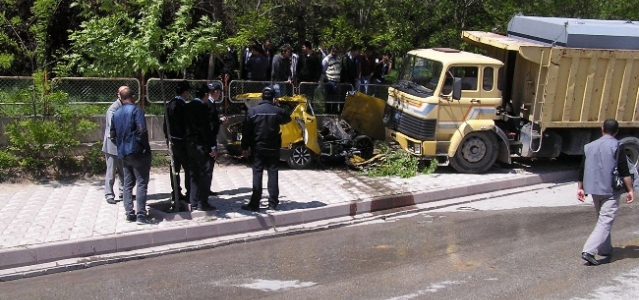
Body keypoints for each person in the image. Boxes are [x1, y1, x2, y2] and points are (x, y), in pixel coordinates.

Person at [577, 119, 634, 265]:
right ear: (616, 132)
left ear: (602, 129)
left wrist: (580, 188)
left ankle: (605, 249)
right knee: (605, 221)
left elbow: (582, 168)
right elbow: (624, 170)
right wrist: (630, 190)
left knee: (603, 219)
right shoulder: (617, 146)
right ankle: (589, 251)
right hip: (610, 190)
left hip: (593, 189)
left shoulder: (589, 146)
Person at [240, 86, 291, 212]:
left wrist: (244, 147)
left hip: (257, 147)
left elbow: (246, 131)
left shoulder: (253, 111)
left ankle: (255, 203)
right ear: (273, 98)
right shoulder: (277, 111)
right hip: (273, 147)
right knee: (273, 173)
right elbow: (288, 119)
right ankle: (273, 203)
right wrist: (278, 106)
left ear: (262, 97)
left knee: (257, 174)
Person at [110, 87, 152, 225]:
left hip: (124, 153)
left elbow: (112, 135)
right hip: (138, 152)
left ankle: (129, 213)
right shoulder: (136, 110)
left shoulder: (116, 114)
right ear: (133, 97)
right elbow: (142, 130)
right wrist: (145, 148)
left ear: (120, 98)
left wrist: (121, 146)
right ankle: (141, 214)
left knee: (127, 184)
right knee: (141, 182)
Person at [184, 83, 218, 211]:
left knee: (193, 173)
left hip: (190, 144)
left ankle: (193, 200)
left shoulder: (188, 106)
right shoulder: (202, 108)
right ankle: (202, 202)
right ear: (205, 95)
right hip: (200, 145)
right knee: (205, 173)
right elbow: (205, 129)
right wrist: (211, 147)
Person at [164, 81, 191, 204]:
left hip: (172, 141)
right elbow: (184, 125)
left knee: (174, 168)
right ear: (185, 92)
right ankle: (190, 193)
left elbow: (165, 124)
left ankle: (175, 192)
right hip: (182, 141)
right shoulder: (182, 105)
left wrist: (167, 138)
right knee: (188, 167)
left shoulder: (170, 104)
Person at [102, 85, 127, 204]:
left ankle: (123, 193)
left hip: (122, 144)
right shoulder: (113, 109)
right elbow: (114, 128)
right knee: (111, 171)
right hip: (112, 144)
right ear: (119, 95)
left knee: (123, 170)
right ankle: (109, 194)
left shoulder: (126, 106)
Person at [205, 83, 227, 196]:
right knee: (208, 165)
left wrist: (219, 121)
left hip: (209, 138)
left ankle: (206, 188)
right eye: (218, 92)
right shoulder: (209, 104)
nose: (219, 95)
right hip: (209, 139)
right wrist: (212, 146)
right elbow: (209, 125)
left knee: (209, 166)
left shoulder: (209, 103)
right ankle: (205, 189)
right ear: (215, 92)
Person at [320, 45, 342, 113]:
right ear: (331, 51)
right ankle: (328, 112)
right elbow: (323, 71)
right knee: (329, 98)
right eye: (333, 51)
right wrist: (322, 82)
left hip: (337, 81)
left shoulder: (338, 59)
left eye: (336, 51)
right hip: (329, 81)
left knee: (336, 99)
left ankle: (335, 112)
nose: (334, 53)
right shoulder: (326, 59)